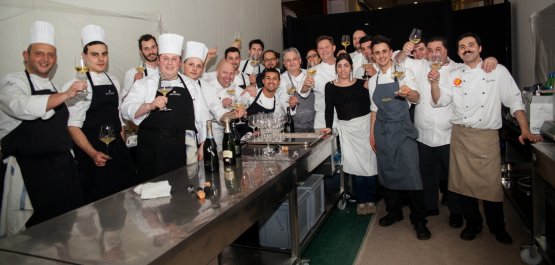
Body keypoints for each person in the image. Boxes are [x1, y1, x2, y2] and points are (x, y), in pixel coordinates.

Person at [430, 32, 542, 244]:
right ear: (459, 52)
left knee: (491, 188)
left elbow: (515, 101)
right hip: (461, 135)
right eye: (462, 47)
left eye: (471, 45)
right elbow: (440, 101)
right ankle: (473, 224)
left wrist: (525, 130)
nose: (467, 49)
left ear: (480, 48)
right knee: (464, 188)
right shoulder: (455, 73)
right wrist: (434, 84)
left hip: (486, 137)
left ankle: (498, 227)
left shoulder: (497, 70)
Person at [0, 21, 83, 227]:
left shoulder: (52, 85)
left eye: (50, 55)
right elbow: (22, 106)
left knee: (66, 228)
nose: (45, 59)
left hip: (63, 170)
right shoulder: (12, 82)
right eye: (39, 53)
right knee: (36, 235)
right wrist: (65, 94)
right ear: (25, 55)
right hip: (32, 172)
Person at [63, 24, 136, 203]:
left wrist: (122, 145)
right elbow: (72, 126)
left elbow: (118, 118)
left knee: (125, 197)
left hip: (117, 148)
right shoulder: (74, 85)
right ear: (84, 57)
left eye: (104, 54)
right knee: (101, 203)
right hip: (92, 152)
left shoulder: (114, 81)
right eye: (95, 54)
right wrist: (93, 153)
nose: (101, 58)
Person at [368, 35, 430, 240]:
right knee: (387, 173)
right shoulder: (373, 80)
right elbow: (374, 110)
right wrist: (372, 135)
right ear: (374, 57)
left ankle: (419, 219)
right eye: (377, 53)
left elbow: (417, 97)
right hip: (383, 131)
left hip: (402, 131)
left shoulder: (403, 72)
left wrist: (408, 92)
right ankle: (394, 212)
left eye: (384, 51)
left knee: (412, 174)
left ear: (390, 52)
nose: (381, 55)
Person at [121, 33, 204, 182]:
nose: (170, 63)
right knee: (153, 199)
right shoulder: (144, 84)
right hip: (152, 151)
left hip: (184, 150)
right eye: (165, 58)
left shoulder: (191, 85)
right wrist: (148, 106)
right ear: (158, 61)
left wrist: (203, 144)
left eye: (174, 59)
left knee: (184, 195)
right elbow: (125, 109)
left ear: (180, 62)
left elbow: (202, 117)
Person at [321, 53, 377, 216]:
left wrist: (371, 85)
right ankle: (361, 201)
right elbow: (328, 109)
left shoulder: (363, 84)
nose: (343, 69)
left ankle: (371, 200)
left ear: (351, 67)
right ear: (336, 68)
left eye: (346, 65)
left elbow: (374, 105)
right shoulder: (329, 86)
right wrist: (328, 127)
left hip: (366, 128)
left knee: (371, 166)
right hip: (347, 131)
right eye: (339, 66)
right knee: (355, 168)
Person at [180, 40, 220, 162]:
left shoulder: (207, 87)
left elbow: (205, 116)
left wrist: (204, 143)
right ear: (182, 65)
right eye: (191, 64)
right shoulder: (174, 84)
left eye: (199, 66)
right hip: (177, 140)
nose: (194, 69)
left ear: (203, 69)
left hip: (199, 139)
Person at [202, 60, 249, 150]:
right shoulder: (208, 87)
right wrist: (221, 103)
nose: (228, 77)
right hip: (213, 129)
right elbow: (205, 110)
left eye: (231, 73)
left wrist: (243, 107)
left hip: (230, 128)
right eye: (225, 73)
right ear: (217, 73)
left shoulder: (233, 87)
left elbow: (244, 98)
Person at [301, 35, 338, 129]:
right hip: (322, 119)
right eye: (321, 48)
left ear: (334, 48)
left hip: (344, 116)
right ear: (318, 51)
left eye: (327, 47)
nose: (324, 50)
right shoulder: (313, 71)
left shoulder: (344, 65)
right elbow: (303, 92)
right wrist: (305, 85)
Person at [277, 47, 315, 131]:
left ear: (300, 60)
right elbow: (282, 100)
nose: (292, 62)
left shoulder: (310, 73)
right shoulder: (281, 79)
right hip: (293, 126)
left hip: (315, 124)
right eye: (288, 60)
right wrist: (290, 103)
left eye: (294, 59)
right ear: (284, 64)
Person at [122, 34, 159, 99]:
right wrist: (134, 84)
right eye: (146, 49)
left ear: (157, 47)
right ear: (141, 52)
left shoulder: (166, 70)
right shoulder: (131, 73)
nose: (151, 51)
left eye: (153, 47)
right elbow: (123, 100)